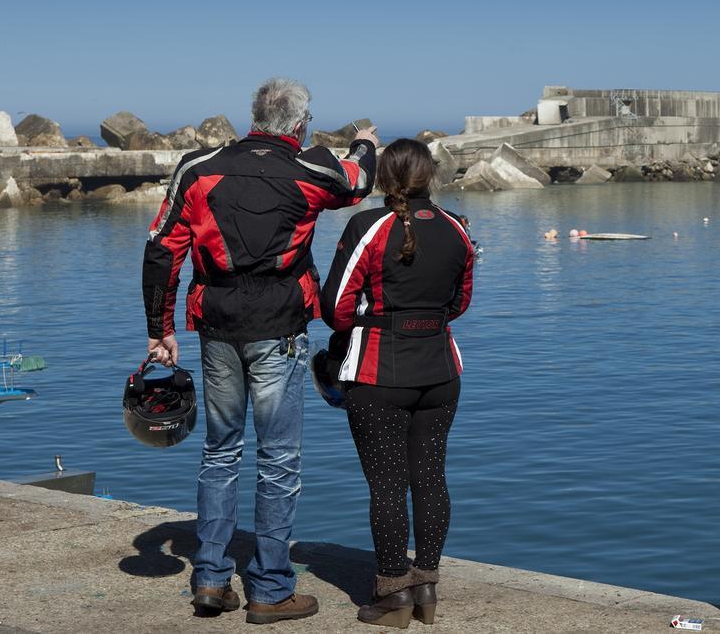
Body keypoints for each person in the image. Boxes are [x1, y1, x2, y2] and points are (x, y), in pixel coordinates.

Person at [142, 77, 378, 624]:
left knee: (220, 451)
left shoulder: (196, 168)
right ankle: (270, 587)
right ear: (299, 124)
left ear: (253, 117)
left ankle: (210, 579)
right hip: (279, 327)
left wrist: (159, 328)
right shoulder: (311, 168)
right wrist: (364, 140)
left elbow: (162, 248)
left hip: (216, 326)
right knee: (278, 458)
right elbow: (359, 181)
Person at [320, 138, 476, 628]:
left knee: (386, 485)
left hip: (378, 372)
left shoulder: (367, 226)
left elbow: (336, 309)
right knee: (430, 478)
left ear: (384, 178)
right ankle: (426, 583)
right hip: (441, 369)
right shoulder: (457, 229)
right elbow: (460, 302)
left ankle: (392, 594)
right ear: (430, 175)